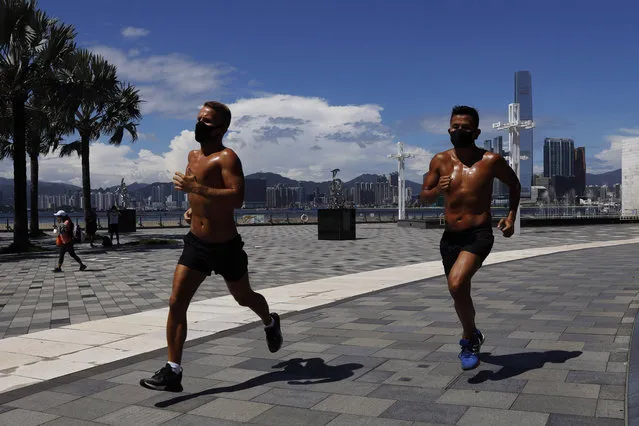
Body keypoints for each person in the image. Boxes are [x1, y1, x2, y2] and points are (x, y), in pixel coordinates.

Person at [140, 101, 283, 392]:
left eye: (206, 121)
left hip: (227, 246)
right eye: (198, 119)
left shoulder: (228, 158)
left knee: (244, 297)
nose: (199, 125)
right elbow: (198, 193)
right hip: (197, 245)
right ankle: (173, 371)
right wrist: (194, 208)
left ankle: (269, 321)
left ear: (221, 128)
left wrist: (198, 191)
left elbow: (236, 197)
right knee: (176, 302)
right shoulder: (192, 156)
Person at [420, 105, 521, 370]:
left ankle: (468, 341)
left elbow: (515, 184)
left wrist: (510, 217)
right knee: (459, 292)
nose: (459, 131)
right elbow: (424, 195)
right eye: (455, 127)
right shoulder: (440, 161)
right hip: (450, 237)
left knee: (455, 284)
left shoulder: (491, 161)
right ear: (449, 129)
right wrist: (436, 191)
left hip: (479, 233)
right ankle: (472, 333)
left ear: (476, 131)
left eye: (465, 127)